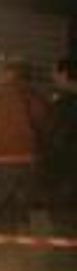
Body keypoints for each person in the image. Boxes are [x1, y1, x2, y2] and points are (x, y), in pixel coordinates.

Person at [0, 58, 49, 232]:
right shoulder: (34, 96)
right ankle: (26, 252)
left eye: (0, 71)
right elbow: (44, 128)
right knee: (20, 211)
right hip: (28, 163)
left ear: (10, 73)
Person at [45, 58, 77, 234]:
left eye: (54, 72)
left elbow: (54, 142)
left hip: (65, 179)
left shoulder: (62, 107)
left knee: (64, 229)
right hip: (67, 179)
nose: (52, 77)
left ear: (65, 74)